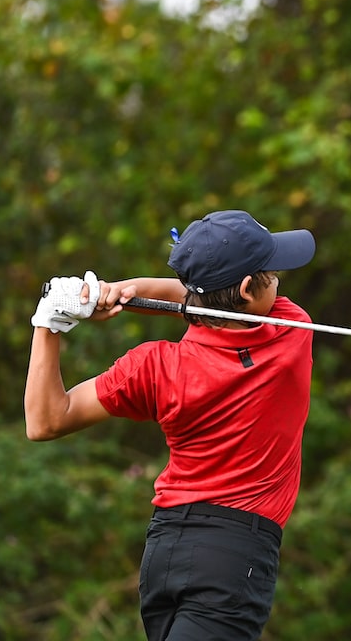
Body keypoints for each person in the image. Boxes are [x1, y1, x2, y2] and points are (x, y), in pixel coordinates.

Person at [24, 209, 318, 641]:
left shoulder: (155, 367)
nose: (279, 281)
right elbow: (205, 301)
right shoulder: (291, 332)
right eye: (272, 275)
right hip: (235, 558)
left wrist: (48, 323)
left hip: (165, 552)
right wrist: (134, 291)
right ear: (245, 290)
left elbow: (46, 420)